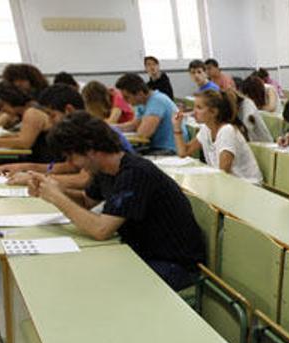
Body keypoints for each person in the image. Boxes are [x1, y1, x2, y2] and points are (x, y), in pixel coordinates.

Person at [28, 111, 205, 290]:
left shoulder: (135, 173)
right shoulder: (105, 170)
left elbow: (101, 230)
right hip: (142, 253)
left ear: (90, 150)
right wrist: (55, 190)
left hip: (173, 265)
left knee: (92, 286)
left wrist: (57, 197)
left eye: (72, 156)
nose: (72, 164)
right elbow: (86, 201)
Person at [0, 84, 134, 187]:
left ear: (68, 110)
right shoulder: (80, 130)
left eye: (52, 115)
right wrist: (25, 167)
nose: (50, 122)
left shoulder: (93, 132)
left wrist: (34, 178)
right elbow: (71, 167)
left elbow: (83, 180)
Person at [172, 90, 263, 184]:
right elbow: (184, 152)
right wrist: (177, 126)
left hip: (247, 184)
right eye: (194, 107)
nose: (193, 112)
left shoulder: (227, 131)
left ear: (214, 112)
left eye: (199, 108)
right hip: (227, 182)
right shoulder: (206, 129)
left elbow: (223, 172)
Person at [115, 73, 178, 154]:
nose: (125, 101)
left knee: (123, 157)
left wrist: (138, 127)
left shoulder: (157, 101)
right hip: (157, 146)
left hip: (169, 149)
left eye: (127, 97)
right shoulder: (142, 103)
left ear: (140, 93)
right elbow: (133, 125)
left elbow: (143, 134)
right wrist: (110, 128)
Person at [0, 83, 59, 164]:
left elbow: (24, 143)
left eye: (2, 106)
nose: (2, 110)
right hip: (38, 157)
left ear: (10, 100)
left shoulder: (32, 113)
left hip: (45, 161)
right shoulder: (30, 109)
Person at [0, 64, 49, 129]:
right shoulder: (9, 96)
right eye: (13, 81)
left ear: (33, 80)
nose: (17, 84)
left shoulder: (45, 97)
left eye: (22, 80)